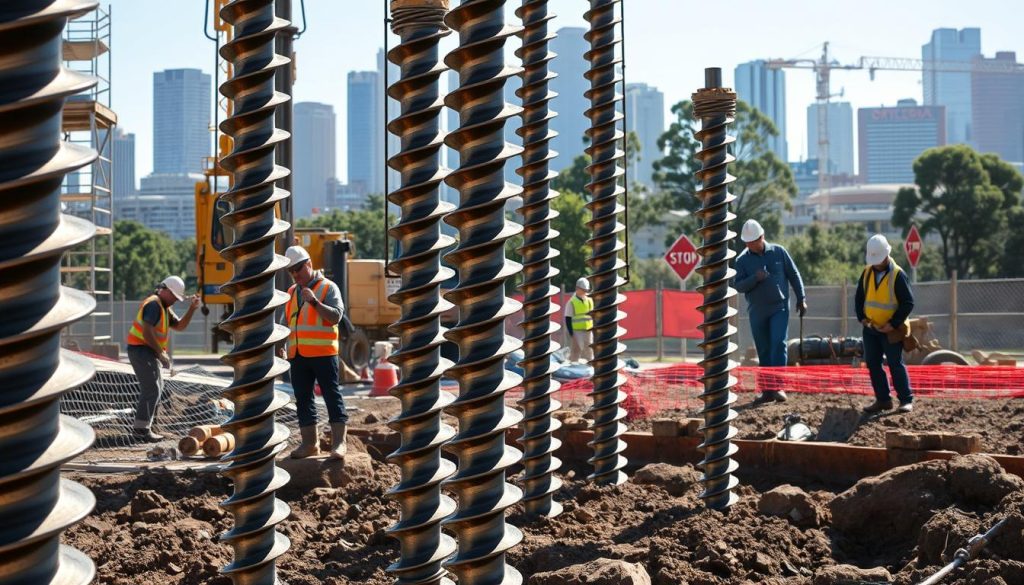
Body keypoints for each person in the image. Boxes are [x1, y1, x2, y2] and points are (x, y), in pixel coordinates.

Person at [281, 245, 349, 459]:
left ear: (309, 264)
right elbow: (287, 321)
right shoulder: (292, 292)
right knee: (303, 398)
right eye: (291, 271)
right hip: (298, 355)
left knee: (331, 395)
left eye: (298, 269)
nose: (295, 275)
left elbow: (336, 317)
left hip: (323, 353)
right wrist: (282, 343)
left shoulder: (328, 288)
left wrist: (314, 301)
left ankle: (339, 443)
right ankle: (310, 444)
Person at [733, 219, 807, 405]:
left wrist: (801, 298)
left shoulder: (779, 252)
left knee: (778, 344)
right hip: (757, 311)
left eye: (753, 241)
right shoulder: (742, 261)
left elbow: (794, 274)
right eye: (747, 243)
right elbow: (738, 286)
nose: (750, 245)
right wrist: (754, 279)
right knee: (764, 348)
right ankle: (766, 390)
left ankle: (778, 387)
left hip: (779, 308)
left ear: (762, 237)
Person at [126, 276, 200, 442]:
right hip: (140, 350)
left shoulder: (164, 307)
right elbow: (147, 331)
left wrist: (192, 309)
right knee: (152, 388)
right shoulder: (153, 304)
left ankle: (145, 427)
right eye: (173, 295)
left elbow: (180, 326)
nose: (175, 299)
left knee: (156, 388)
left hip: (146, 351)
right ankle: (141, 430)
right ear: (164, 290)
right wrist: (161, 352)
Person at [856, 234, 916, 414]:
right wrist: (862, 318)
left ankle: (906, 400)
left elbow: (908, 303)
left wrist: (894, 323)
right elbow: (859, 298)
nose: (876, 263)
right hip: (871, 328)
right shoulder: (866, 273)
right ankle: (883, 400)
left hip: (891, 330)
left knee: (895, 364)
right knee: (873, 363)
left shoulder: (898, 275)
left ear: (886, 255)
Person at [564, 277, 594, 364]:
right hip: (576, 331)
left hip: (588, 330)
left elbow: (593, 315)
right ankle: (573, 366)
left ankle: (591, 366)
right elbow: (568, 318)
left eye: (586, 290)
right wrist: (571, 333)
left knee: (589, 350)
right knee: (576, 350)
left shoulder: (589, 301)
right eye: (583, 289)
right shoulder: (572, 302)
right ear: (577, 288)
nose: (585, 292)